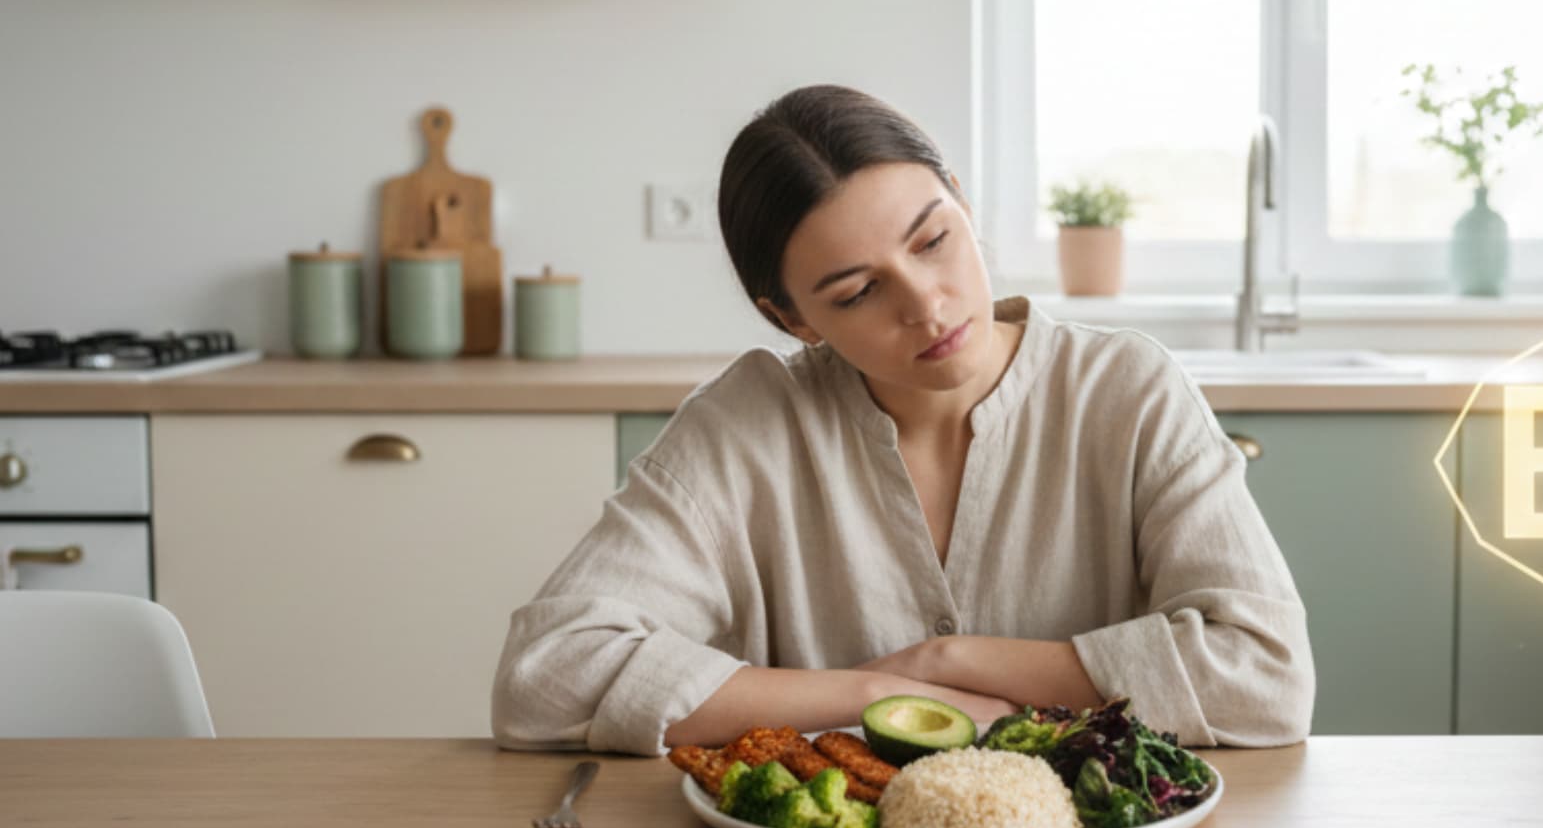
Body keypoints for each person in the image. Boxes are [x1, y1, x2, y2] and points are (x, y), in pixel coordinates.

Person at [491, 84, 1314, 757]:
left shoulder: (1127, 390)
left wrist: (947, 659)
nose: (927, 304)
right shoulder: (745, 427)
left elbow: (1266, 677)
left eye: (932, 241)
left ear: (959, 197)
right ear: (792, 320)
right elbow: (546, 676)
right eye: (857, 293)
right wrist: (876, 691)